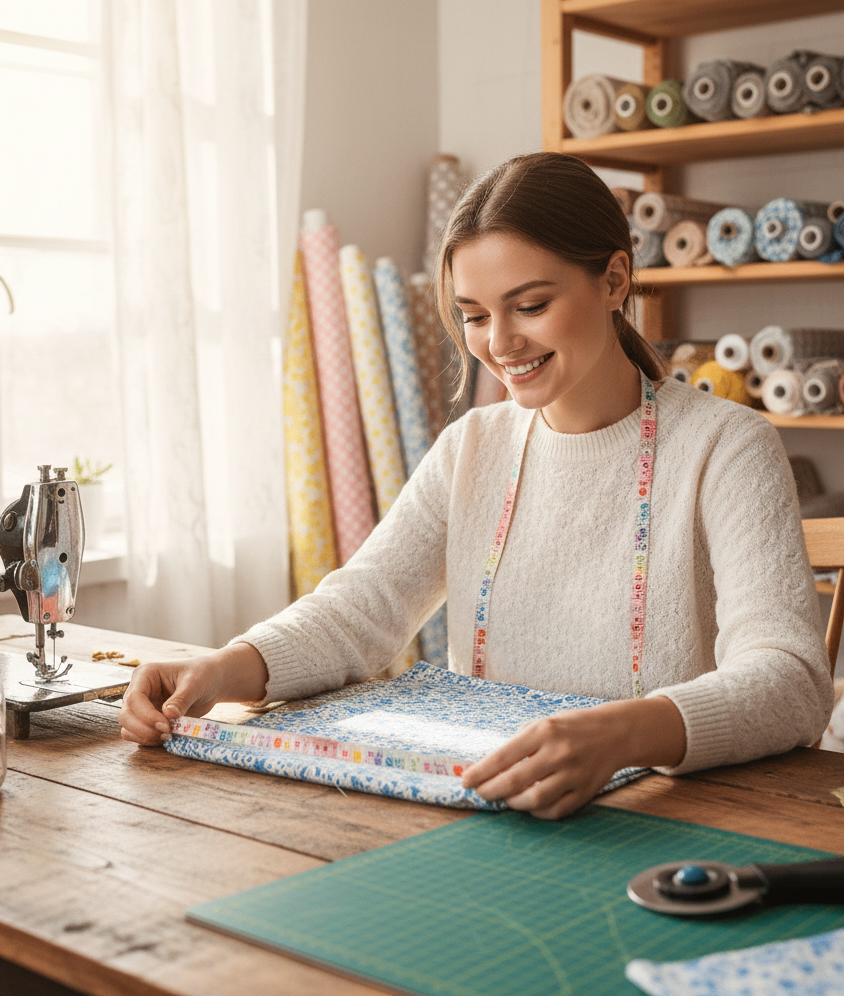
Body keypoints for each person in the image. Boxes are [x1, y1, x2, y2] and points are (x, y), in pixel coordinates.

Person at [120, 152, 833, 819]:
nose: (499, 343)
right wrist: (222, 666)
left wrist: (619, 736)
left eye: (529, 305)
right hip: (499, 807)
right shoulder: (473, 448)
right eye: (474, 315)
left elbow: (790, 682)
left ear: (615, 280)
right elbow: (361, 609)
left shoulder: (726, 447)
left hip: (673, 817)